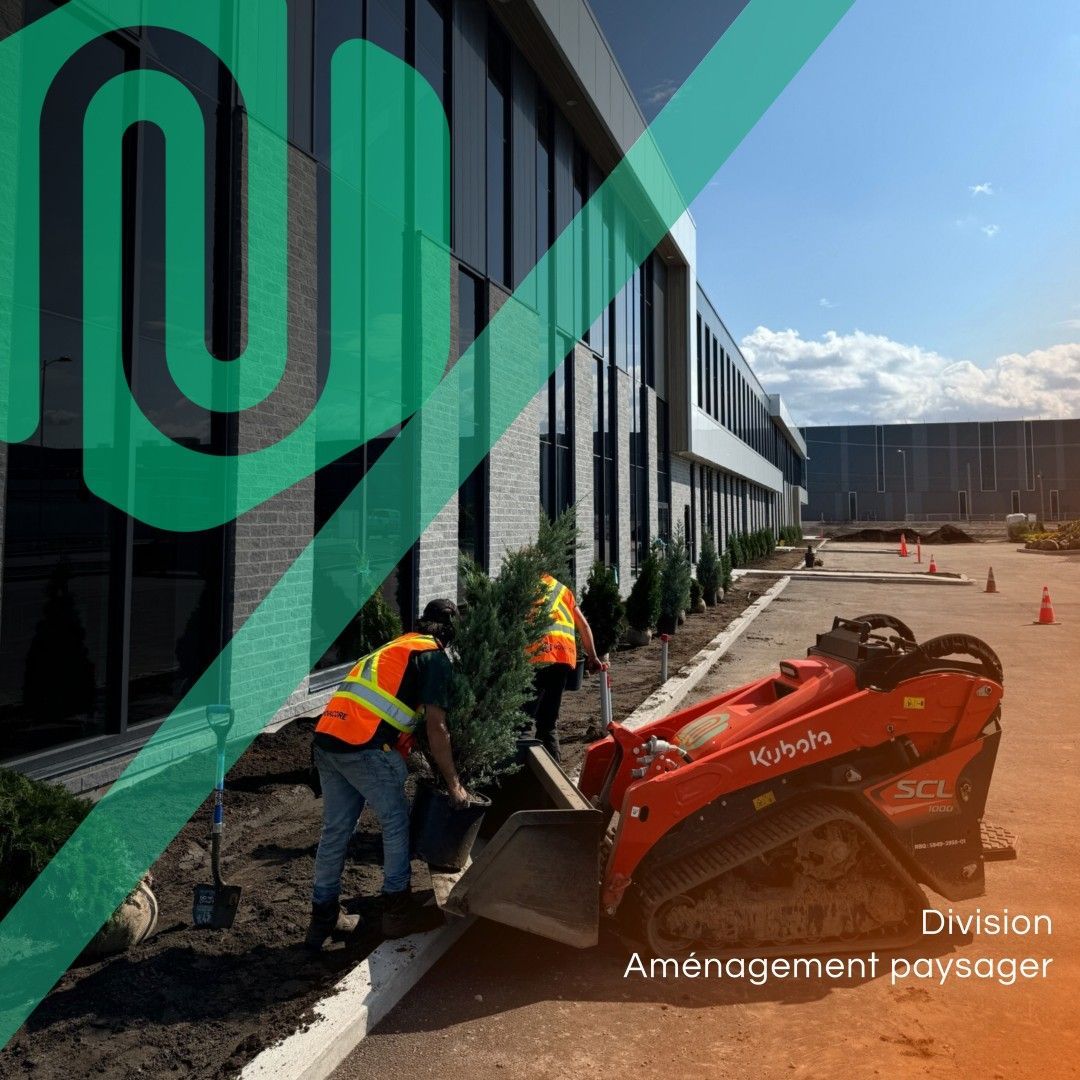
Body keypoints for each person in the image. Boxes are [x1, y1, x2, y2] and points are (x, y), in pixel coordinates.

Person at [305, 599, 468, 950]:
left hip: (328, 741)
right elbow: (437, 728)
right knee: (395, 821)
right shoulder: (433, 657)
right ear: (450, 634)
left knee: (334, 830)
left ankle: (322, 918)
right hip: (362, 746)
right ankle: (397, 911)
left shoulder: (397, 646)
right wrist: (454, 783)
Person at [524, 572, 605, 763]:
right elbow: (583, 626)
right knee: (548, 722)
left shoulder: (525, 584)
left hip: (536, 658)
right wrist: (593, 657)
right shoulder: (562, 590)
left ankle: (523, 776)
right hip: (562, 658)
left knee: (523, 722)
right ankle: (557, 775)